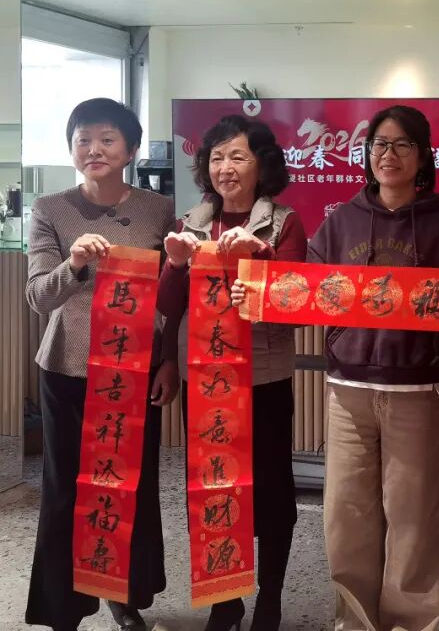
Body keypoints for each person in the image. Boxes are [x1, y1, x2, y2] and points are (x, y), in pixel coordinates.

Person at [307, 105, 439, 631]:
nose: (388, 155)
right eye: (378, 144)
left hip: (417, 389)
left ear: (423, 156)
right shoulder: (341, 222)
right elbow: (308, 288)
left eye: (401, 144)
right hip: (346, 390)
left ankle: (411, 624)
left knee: (415, 516)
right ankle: (353, 622)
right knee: (346, 517)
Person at [25, 98, 174, 631]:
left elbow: (171, 295)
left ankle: (123, 595)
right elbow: (39, 297)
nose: (95, 149)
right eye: (83, 140)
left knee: (127, 486)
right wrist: (75, 263)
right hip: (67, 368)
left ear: (131, 149)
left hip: (133, 370)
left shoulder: (159, 210)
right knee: (66, 489)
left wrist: (169, 360)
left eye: (108, 139)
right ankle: (63, 608)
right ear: (71, 149)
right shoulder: (49, 208)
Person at [158, 115, 306, 631]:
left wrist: (258, 257)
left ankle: (270, 597)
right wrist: (176, 265)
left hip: (262, 378)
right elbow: (167, 305)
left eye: (238, 156)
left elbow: (292, 301)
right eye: (216, 158)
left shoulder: (284, 223)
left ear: (262, 165)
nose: (225, 168)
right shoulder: (191, 223)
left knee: (272, 491)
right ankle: (226, 600)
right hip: (204, 380)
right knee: (213, 487)